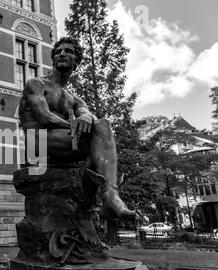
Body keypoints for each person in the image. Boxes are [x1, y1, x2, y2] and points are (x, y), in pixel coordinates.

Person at [18, 36, 139, 222]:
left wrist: (86, 117)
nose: (62, 54)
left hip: (61, 144)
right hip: (39, 142)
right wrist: (77, 125)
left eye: (68, 51)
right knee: (95, 142)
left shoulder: (73, 98)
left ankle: (108, 196)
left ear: (76, 61)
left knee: (103, 126)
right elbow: (45, 117)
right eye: (58, 52)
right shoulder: (37, 84)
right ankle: (105, 198)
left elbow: (89, 116)